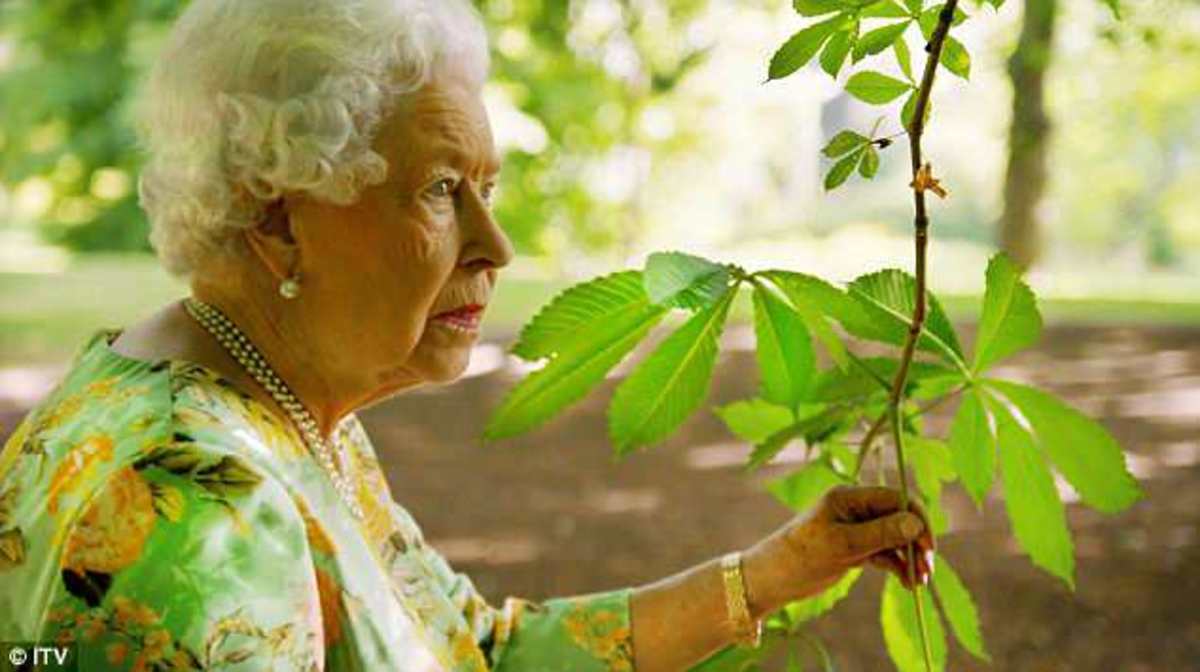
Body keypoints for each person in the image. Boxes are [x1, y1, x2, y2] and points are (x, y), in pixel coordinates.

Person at [0, 0, 935, 669]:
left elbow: (475, 650)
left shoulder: (277, 413)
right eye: (442, 190)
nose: (496, 246)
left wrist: (775, 572)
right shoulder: (195, 512)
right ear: (279, 218)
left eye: (484, 188)